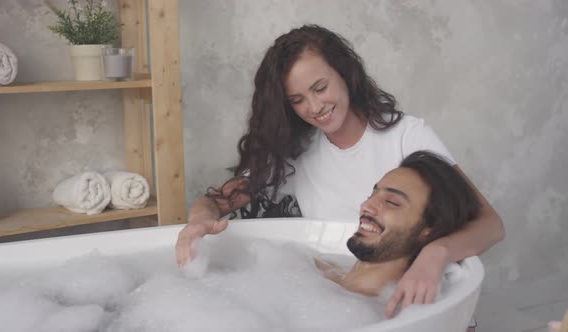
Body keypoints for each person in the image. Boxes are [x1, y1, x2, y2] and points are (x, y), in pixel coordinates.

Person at [175, 24, 504, 322]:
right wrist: (197, 223)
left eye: (320, 87)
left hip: (416, 308)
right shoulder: (296, 151)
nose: (315, 107)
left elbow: (490, 224)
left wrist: (435, 253)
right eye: (298, 100)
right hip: (345, 302)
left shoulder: (407, 136)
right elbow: (216, 202)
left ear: (345, 73)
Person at [314, 151, 479, 300]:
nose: (366, 205)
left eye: (392, 202)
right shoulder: (317, 272)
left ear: (430, 229)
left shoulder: (383, 317)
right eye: (372, 194)